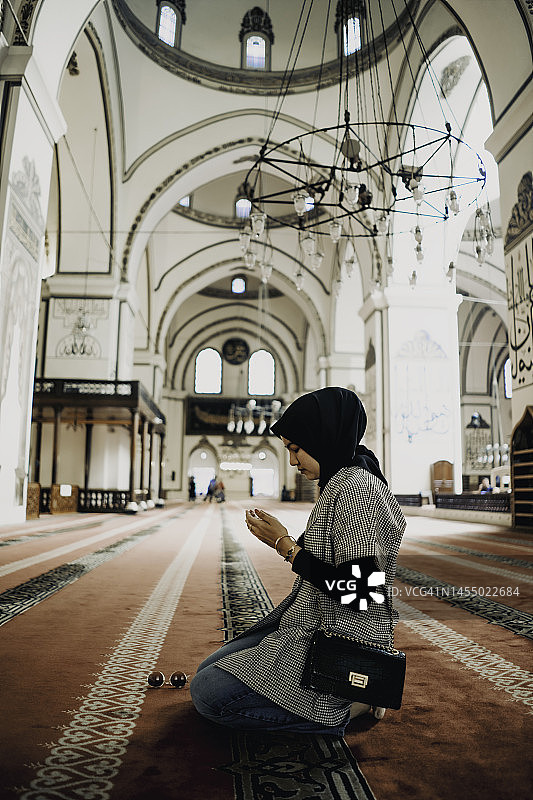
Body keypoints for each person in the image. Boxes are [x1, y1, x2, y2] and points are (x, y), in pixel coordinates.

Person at [190, 387, 406, 736]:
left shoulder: (356, 492)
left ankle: (353, 702)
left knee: (208, 695)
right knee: (208, 668)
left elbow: (363, 593)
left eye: (295, 449)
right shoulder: (341, 480)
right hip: (310, 619)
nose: (292, 460)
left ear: (321, 438)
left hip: (342, 639)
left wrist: (287, 547)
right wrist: (286, 543)